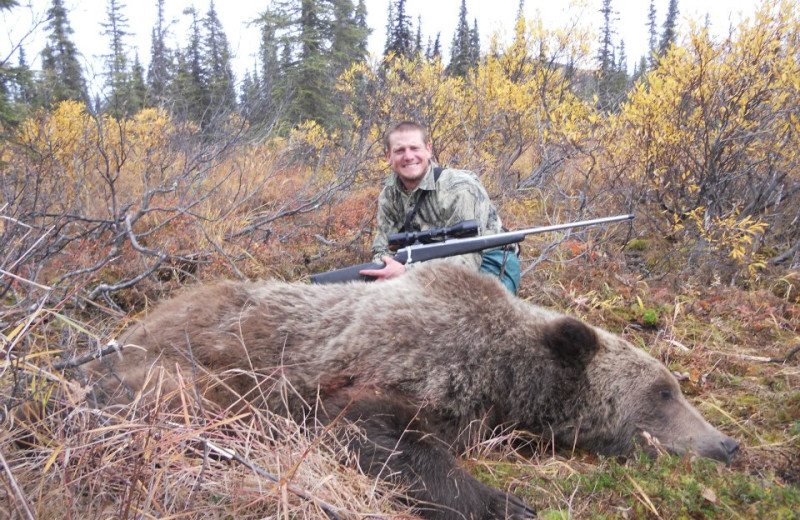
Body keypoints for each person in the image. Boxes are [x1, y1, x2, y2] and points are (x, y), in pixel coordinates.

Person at [359, 121, 520, 293]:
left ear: (428, 150)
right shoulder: (389, 195)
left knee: (469, 317)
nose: (408, 156)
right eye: (399, 150)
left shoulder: (459, 188)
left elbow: (467, 261)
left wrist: (407, 273)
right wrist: (384, 270)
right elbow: (382, 248)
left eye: (414, 148)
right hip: (422, 262)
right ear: (388, 156)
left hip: (485, 260)